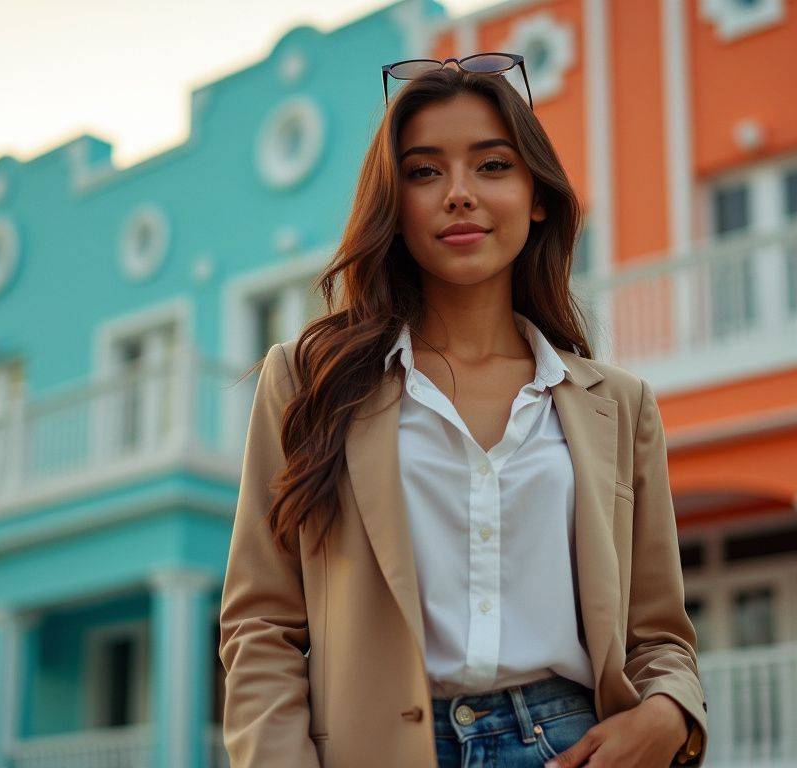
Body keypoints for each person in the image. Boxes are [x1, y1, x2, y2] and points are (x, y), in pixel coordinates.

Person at [219, 54, 707, 768]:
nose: (458, 195)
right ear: (395, 202)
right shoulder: (307, 381)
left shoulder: (618, 406)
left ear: (537, 195)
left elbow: (660, 635)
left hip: (571, 743)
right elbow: (262, 625)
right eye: (423, 172)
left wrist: (669, 715)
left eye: (492, 166)